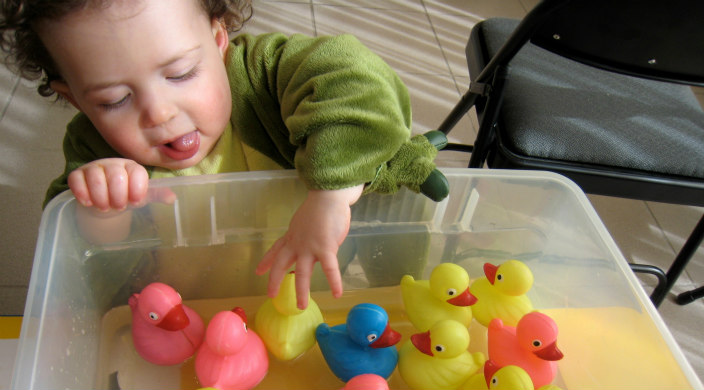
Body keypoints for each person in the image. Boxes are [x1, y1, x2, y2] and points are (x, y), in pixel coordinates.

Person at [0, 0, 447, 309]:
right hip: (182, 315)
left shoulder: (264, 76)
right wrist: (103, 209)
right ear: (75, 99)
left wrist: (333, 192)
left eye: (181, 73)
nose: (159, 112)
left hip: (304, 300)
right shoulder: (92, 148)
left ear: (218, 40)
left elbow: (359, 78)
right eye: (115, 100)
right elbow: (78, 261)